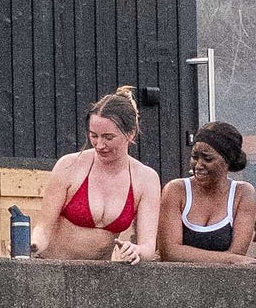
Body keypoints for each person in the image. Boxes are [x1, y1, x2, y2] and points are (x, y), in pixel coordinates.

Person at [34, 86, 162, 264]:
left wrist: (136, 250)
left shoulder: (146, 179)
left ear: (130, 134)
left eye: (108, 137)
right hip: (54, 266)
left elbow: (148, 247)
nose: (100, 145)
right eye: (94, 136)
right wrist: (31, 245)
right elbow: (43, 229)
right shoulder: (69, 165)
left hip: (100, 275)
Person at [158, 120, 256, 262]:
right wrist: (228, 259)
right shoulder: (176, 190)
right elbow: (170, 252)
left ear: (227, 161)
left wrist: (232, 259)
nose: (198, 165)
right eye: (194, 157)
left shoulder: (243, 193)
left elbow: (237, 255)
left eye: (207, 158)